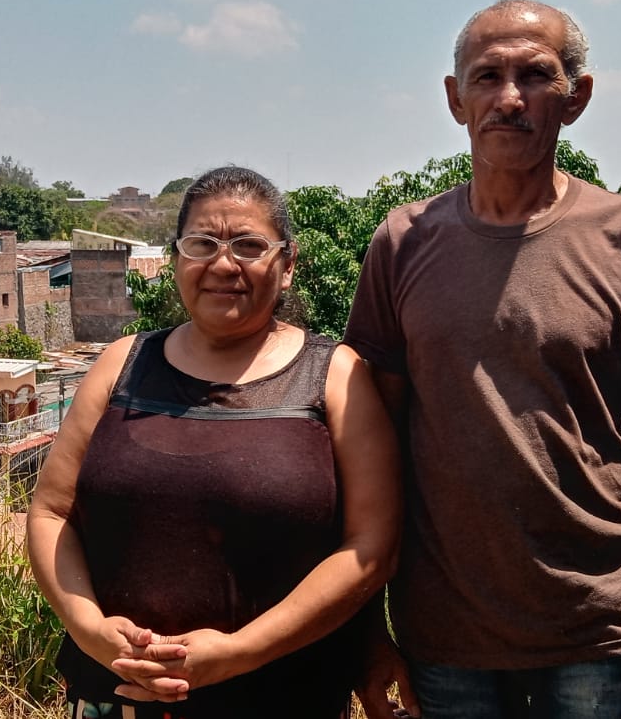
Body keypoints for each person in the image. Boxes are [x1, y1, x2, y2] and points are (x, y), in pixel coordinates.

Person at [344, 0, 621, 719]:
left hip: (598, 626)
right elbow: (370, 450)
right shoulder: (402, 242)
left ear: (577, 97)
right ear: (455, 98)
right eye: (487, 76)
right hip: (444, 633)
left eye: (536, 76)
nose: (509, 98)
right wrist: (368, 633)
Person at [27, 166, 401, 719]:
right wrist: (89, 629)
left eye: (249, 246)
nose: (224, 265)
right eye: (202, 244)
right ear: (177, 259)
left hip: (284, 700)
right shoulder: (122, 365)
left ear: (287, 265)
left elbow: (371, 547)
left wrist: (238, 652)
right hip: (117, 698)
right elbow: (50, 513)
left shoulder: (335, 378)